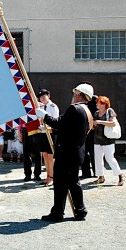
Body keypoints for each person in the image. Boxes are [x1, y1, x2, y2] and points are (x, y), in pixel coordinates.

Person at [36, 82, 94, 222]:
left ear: (79, 95)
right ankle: (80, 210)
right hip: (76, 153)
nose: (73, 96)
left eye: (75, 94)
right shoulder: (86, 111)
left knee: (60, 183)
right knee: (74, 182)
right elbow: (68, 128)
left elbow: (58, 123)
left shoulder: (74, 109)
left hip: (67, 153)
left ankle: (57, 213)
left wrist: (44, 116)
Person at [93, 96, 125, 186]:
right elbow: (95, 125)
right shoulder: (96, 113)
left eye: (98, 102)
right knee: (98, 159)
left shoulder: (109, 111)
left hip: (108, 139)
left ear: (103, 104)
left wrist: (99, 122)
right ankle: (100, 177)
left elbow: (113, 123)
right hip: (97, 139)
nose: (96, 104)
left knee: (109, 158)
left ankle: (120, 174)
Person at [37, 89, 59, 186]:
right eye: (40, 97)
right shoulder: (41, 107)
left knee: (51, 156)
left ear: (48, 96)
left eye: (44, 96)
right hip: (43, 133)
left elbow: (55, 120)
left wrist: (47, 127)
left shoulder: (53, 107)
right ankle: (48, 176)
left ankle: (53, 177)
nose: (42, 98)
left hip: (51, 133)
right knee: (45, 155)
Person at [81, 94, 98, 178]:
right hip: (84, 131)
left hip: (93, 131)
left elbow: (97, 114)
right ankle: (86, 173)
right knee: (84, 153)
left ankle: (96, 172)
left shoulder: (94, 99)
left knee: (93, 152)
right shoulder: (81, 101)